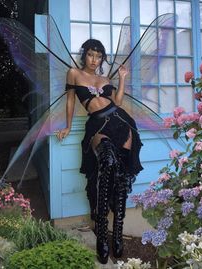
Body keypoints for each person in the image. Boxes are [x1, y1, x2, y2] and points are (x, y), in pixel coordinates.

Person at [56, 39, 143, 264]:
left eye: (99, 56)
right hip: (98, 124)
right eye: (91, 55)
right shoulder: (73, 73)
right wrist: (66, 126)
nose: (95, 60)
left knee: (121, 177)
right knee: (107, 162)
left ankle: (117, 235)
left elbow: (118, 102)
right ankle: (102, 235)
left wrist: (122, 79)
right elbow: (69, 102)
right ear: (84, 55)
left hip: (121, 122)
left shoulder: (105, 79)